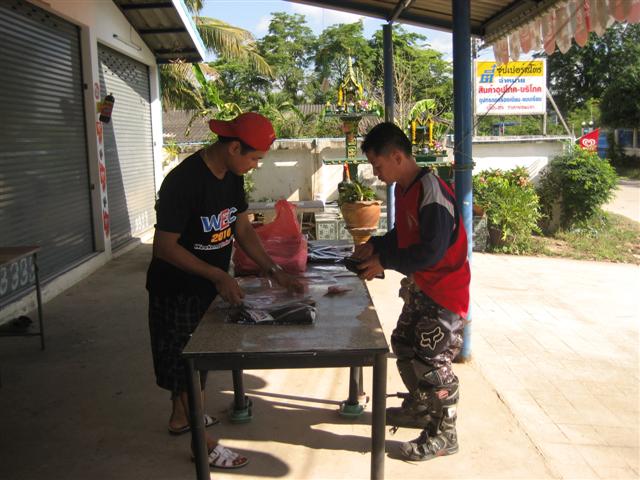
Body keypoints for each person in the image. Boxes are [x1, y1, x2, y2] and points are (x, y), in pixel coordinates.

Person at [146, 112, 302, 469]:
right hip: (176, 289)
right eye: (254, 158)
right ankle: (202, 445)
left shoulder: (233, 177)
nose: (255, 165)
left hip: (207, 285)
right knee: (186, 365)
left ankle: (180, 417)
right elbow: (164, 247)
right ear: (233, 148)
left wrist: (273, 270)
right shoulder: (182, 182)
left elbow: (242, 229)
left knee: (195, 361)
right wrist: (217, 275)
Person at [352, 122, 470, 462]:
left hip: (445, 293)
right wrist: (375, 246)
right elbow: (403, 235)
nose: (376, 173)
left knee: (431, 360)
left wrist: (383, 262)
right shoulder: (405, 190)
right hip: (422, 287)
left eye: (377, 165)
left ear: (397, 156)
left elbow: (431, 251)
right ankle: (420, 407)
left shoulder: (430, 190)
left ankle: (444, 433)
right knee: (404, 343)